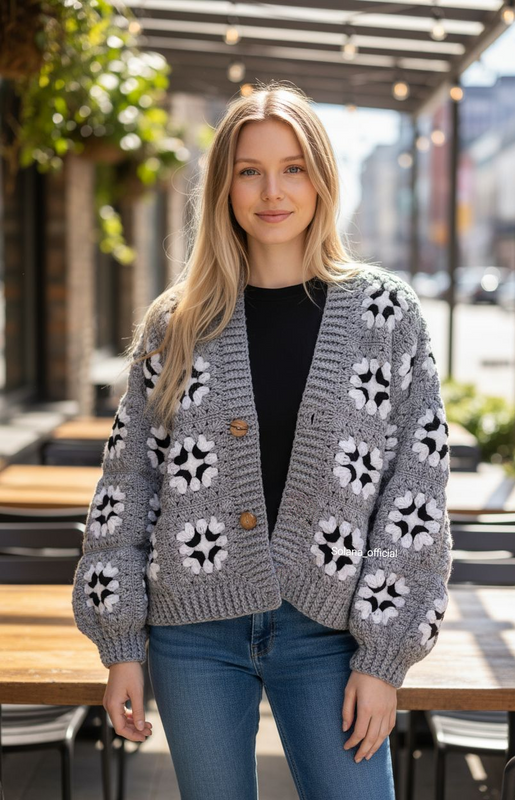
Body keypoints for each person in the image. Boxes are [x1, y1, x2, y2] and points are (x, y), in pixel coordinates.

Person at [71, 82, 453, 800]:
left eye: (292, 167)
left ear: (321, 180)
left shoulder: (384, 316)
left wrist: (381, 659)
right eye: (249, 169)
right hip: (193, 634)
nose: (271, 190)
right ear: (223, 186)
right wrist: (120, 646)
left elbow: (417, 491)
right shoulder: (176, 324)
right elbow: (126, 488)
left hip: (330, 634)